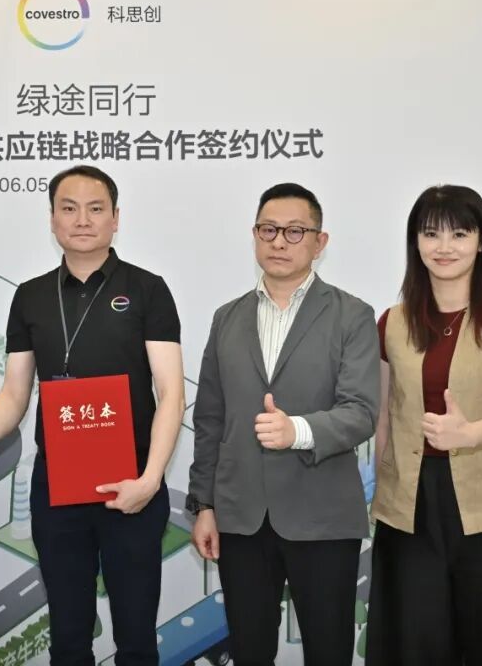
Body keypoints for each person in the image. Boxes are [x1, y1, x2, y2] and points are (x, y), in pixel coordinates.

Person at [0, 164, 185, 665]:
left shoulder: (147, 289)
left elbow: (171, 394)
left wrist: (150, 481)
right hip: (58, 487)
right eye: (69, 208)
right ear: (53, 219)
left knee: (137, 640)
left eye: (96, 208)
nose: (83, 220)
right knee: (68, 637)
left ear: (116, 218)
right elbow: (15, 394)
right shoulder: (30, 296)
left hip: (133, 484)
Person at [187, 182, 380, 666]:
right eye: (268, 229)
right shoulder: (226, 318)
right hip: (241, 517)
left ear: (320, 242)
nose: (279, 241)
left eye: (295, 231)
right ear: (254, 235)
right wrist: (204, 504)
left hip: (322, 516)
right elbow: (209, 419)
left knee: (328, 650)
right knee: (250, 651)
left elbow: (361, 411)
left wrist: (298, 431)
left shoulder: (352, 315)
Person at [367, 185, 482, 665]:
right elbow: (385, 416)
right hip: (412, 505)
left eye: (459, 233)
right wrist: (384, 494)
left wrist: (468, 434)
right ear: (415, 242)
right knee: (414, 641)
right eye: (431, 234)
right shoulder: (392, 323)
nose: (444, 246)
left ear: (481, 241)